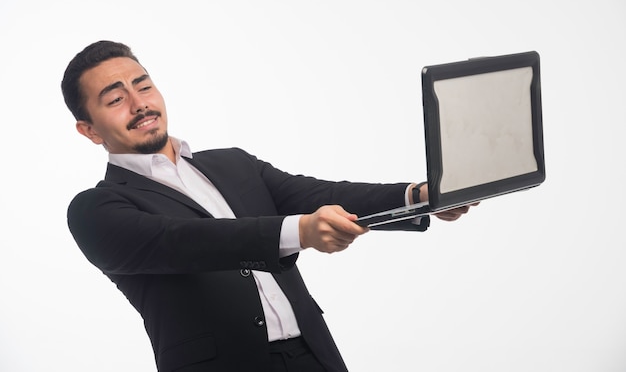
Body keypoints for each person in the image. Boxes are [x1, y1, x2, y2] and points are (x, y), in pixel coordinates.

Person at [62, 41, 474, 372]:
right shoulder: (95, 210)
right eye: (115, 99)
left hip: (313, 355)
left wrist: (420, 196)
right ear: (89, 130)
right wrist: (301, 232)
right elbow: (189, 242)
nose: (140, 104)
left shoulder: (232, 163)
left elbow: (318, 194)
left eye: (144, 86)